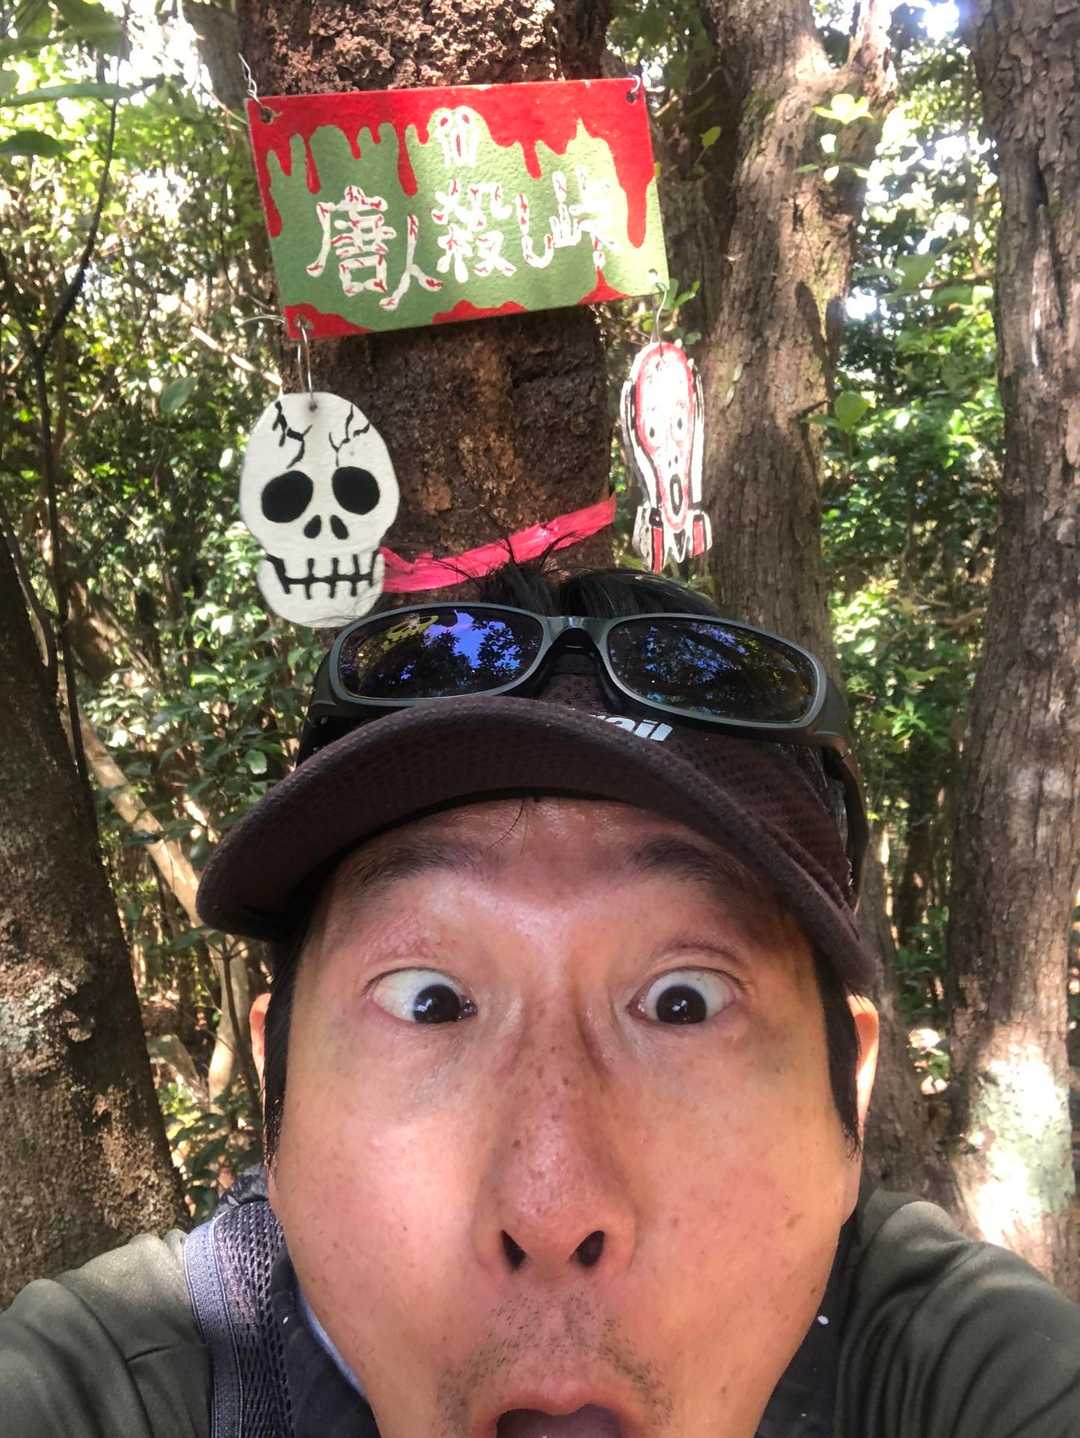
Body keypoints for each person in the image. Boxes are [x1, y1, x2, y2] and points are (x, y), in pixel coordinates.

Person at [2, 565, 1078, 1438]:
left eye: (684, 1002)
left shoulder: (969, 1374)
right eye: (430, 1002)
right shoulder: (117, 1385)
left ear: (850, 1100)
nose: (553, 1209)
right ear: (273, 1101)